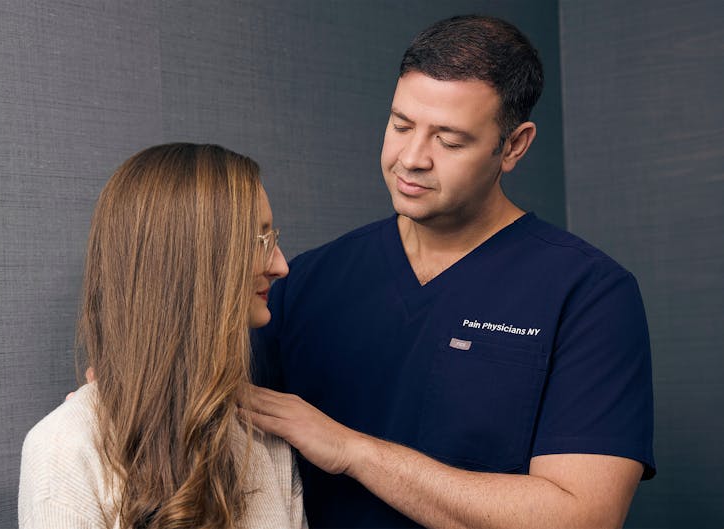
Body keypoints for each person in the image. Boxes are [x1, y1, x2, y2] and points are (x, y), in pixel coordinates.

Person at [246, 15, 655, 529]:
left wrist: (351, 450)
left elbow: (582, 517)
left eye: (451, 140)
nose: (412, 158)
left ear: (513, 146)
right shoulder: (299, 283)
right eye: (400, 125)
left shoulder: (590, 294)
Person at [18, 143, 306, 529]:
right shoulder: (65, 452)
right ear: (196, 261)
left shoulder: (266, 444)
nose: (282, 266)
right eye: (262, 240)